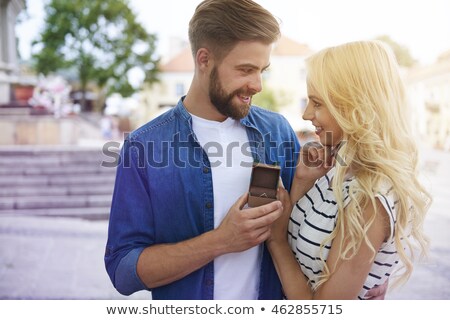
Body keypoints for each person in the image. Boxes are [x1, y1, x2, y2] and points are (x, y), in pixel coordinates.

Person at [104, 0, 299, 300]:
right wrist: (221, 241)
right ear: (204, 60)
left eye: (262, 70)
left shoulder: (278, 132)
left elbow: (312, 229)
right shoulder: (143, 148)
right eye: (246, 69)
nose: (257, 84)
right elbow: (123, 271)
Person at [267, 40, 431, 299]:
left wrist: (275, 242)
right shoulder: (338, 170)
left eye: (317, 103)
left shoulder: (372, 197)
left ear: (355, 107)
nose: (306, 114)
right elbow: (302, 243)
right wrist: (301, 183)